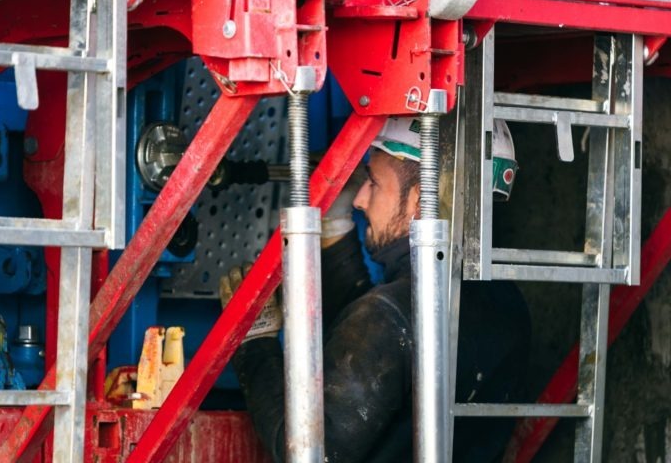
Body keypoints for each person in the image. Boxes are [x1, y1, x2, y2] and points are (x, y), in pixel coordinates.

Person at [220, 117, 530, 462]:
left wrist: (255, 343)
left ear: (420, 202)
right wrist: (335, 224)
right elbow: (376, 358)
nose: (359, 200)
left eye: (373, 183)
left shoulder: (391, 316)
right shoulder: (508, 305)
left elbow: (308, 453)